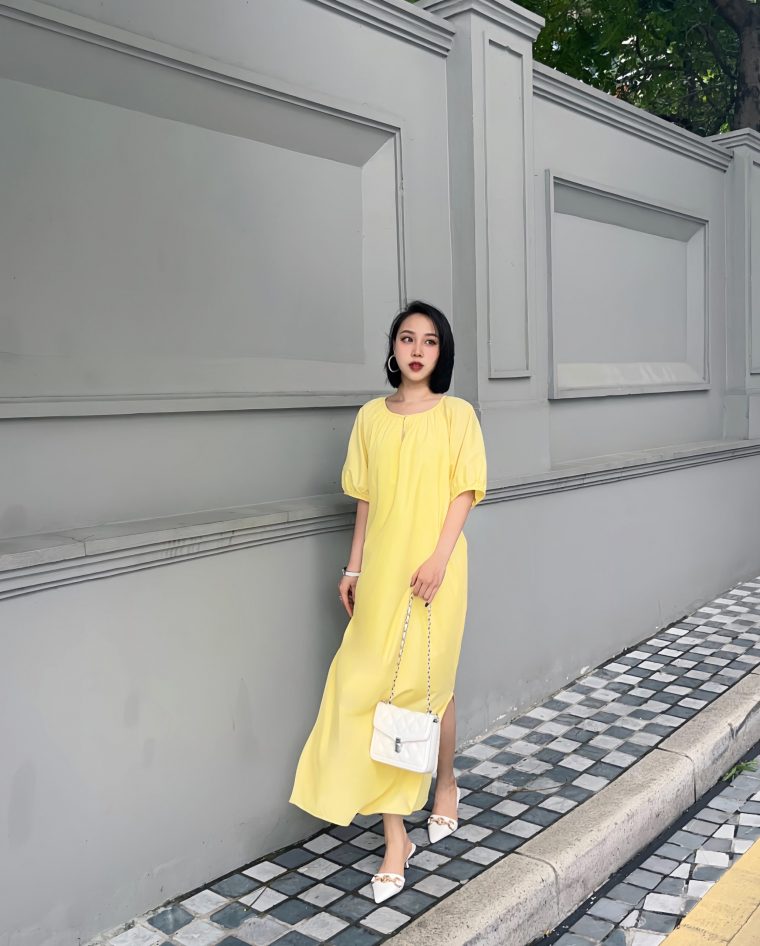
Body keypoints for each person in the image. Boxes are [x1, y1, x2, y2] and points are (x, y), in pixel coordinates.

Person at [289, 300, 487, 904]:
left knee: (428, 689)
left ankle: (445, 783)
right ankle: (397, 836)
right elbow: (366, 499)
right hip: (381, 576)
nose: (417, 349)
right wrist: (354, 567)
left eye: (429, 340)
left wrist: (438, 559)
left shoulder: (457, 415)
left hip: (437, 572)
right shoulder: (370, 417)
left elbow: (464, 491)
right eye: (407, 338)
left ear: (441, 352)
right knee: (363, 687)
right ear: (394, 349)